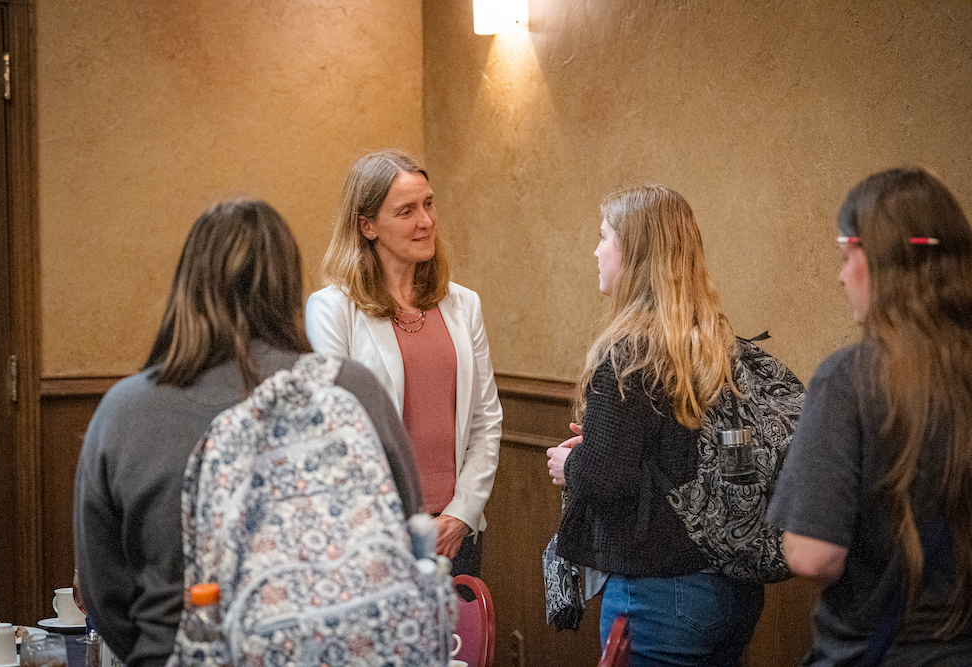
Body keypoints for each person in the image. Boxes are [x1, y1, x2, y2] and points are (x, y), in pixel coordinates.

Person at [73, 200, 422, 667]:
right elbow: (409, 524)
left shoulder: (125, 411)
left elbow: (103, 593)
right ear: (286, 286)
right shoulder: (351, 387)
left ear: (187, 286)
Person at [546, 185, 764, 666]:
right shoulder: (716, 344)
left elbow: (606, 477)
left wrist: (571, 463)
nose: (595, 250)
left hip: (659, 596)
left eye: (604, 237)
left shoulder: (627, 355)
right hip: (727, 588)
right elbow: (706, 456)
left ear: (634, 254)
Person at [767, 167, 972, 665]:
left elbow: (811, 554)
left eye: (845, 258)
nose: (840, 277)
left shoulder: (850, 380)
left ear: (879, 262)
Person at [306, 149, 502, 577]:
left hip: (458, 533)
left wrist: (462, 513)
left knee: (460, 646)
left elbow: (487, 420)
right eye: (406, 211)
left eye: (428, 204)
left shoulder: (463, 304)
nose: (426, 221)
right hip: (374, 534)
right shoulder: (332, 310)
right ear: (367, 225)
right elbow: (336, 432)